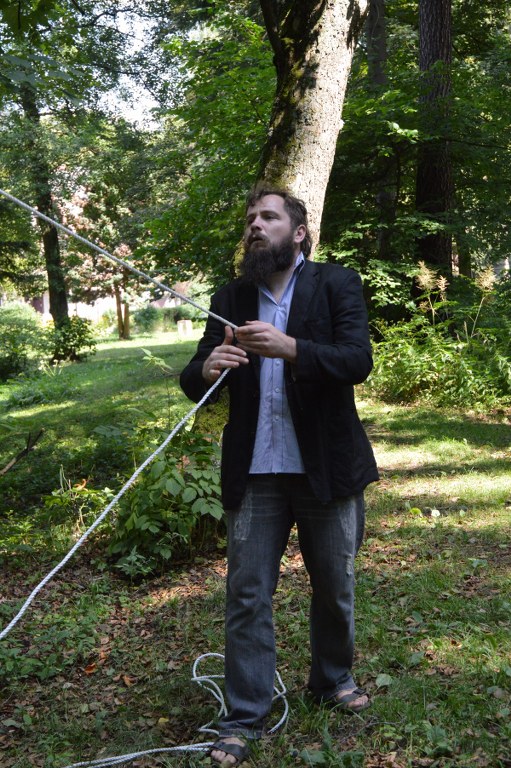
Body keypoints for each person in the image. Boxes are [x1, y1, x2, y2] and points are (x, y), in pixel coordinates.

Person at [180, 186, 379, 766]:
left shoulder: (335, 284)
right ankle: (245, 713)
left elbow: (357, 361)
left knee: (335, 585)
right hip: (255, 470)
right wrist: (208, 368)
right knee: (247, 594)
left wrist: (292, 347)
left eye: (268, 216)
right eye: (251, 218)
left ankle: (332, 680)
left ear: (298, 232)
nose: (255, 225)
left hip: (326, 467)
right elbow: (192, 377)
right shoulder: (230, 297)